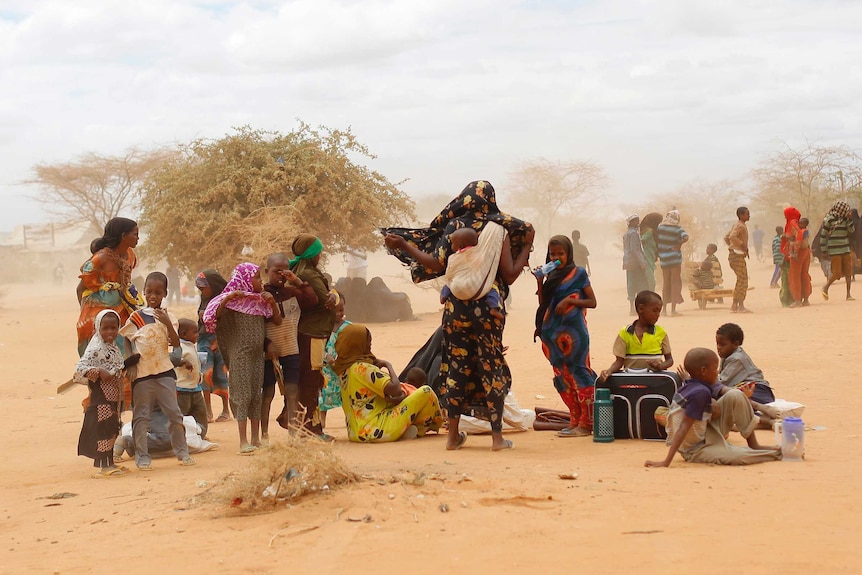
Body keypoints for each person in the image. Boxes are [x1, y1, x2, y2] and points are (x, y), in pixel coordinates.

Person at [382, 180, 534, 451]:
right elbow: (510, 274)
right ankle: (497, 438)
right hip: (489, 310)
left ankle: (452, 436)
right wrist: (527, 245)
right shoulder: (499, 230)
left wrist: (406, 246)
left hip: (456, 309)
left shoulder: (454, 228)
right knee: (492, 367)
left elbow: (436, 264)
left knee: (455, 369)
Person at [644, 347, 781, 467]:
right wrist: (666, 461)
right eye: (715, 369)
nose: (717, 373)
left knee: (736, 395)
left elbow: (730, 393)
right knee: (736, 456)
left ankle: (754, 445)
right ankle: (776, 454)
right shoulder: (699, 393)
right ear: (704, 371)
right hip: (694, 449)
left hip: (707, 432)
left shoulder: (701, 382)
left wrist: (746, 397)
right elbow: (683, 427)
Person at [119, 272, 196, 470]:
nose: (153, 296)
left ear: (164, 294)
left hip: (164, 372)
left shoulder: (169, 316)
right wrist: (131, 363)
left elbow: (176, 342)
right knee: (141, 417)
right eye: (149, 291)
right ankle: (142, 457)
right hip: (143, 375)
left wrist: (167, 322)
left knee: (174, 414)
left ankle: (182, 452)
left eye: (158, 292)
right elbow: (126, 339)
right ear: (144, 292)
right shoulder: (136, 317)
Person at [203, 263, 281, 454]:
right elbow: (213, 318)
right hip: (240, 356)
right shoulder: (230, 301)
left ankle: (255, 437)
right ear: (245, 279)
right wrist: (227, 298)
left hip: (257, 356)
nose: (260, 281)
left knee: (256, 394)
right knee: (242, 394)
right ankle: (242, 440)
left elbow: (275, 319)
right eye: (256, 277)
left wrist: (272, 303)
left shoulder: (260, 302)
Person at [333, 323, 444, 442]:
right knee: (426, 391)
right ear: (357, 344)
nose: (370, 344)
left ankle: (408, 430)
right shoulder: (362, 369)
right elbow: (395, 390)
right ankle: (425, 426)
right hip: (377, 429)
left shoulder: (343, 371)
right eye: (367, 341)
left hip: (356, 433)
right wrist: (388, 365)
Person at [535, 235, 597, 437]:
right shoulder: (551, 275)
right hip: (553, 335)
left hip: (575, 333)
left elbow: (592, 302)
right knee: (562, 377)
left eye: (560, 253)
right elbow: (544, 304)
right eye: (553, 254)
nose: (556, 257)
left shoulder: (578, 273)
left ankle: (586, 424)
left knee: (579, 373)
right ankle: (574, 419)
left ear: (569, 253)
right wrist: (539, 282)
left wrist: (570, 302)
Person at [289, 234, 338, 438]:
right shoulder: (309, 274)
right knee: (312, 381)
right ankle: (311, 429)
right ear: (313, 254)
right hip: (313, 335)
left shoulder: (300, 271)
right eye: (319, 252)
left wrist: (333, 294)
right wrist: (333, 296)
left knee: (308, 381)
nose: (320, 256)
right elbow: (324, 299)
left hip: (310, 333)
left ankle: (307, 427)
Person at [261, 253, 315, 437]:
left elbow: (312, 300)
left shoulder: (292, 292)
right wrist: (267, 344)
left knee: (292, 391)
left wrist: (297, 281)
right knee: (267, 393)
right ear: (267, 271)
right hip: (269, 353)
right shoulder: (262, 295)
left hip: (291, 348)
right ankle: (264, 434)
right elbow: (256, 328)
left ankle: (293, 433)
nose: (281, 276)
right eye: (277, 272)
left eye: (285, 272)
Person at [76, 217, 144, 358]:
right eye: (135, 234)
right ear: (123, 236)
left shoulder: (131, 255)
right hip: (100, 310)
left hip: (125, 305)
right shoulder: (100, 258)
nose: (138, 238)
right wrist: (85, 316)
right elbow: (80, 288)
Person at [76, 309, 127, 478]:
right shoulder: (95, 348)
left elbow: (117, 367)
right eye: (105, 328)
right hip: (102, 398)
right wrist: (98, 371)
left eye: (114, 328)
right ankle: (104, 466)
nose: (110, 332)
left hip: (114, 397)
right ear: (98, 328)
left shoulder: (112, 347)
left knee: (113, 428)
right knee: (104, 430)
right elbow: (80, 370)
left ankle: (110, 462)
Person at [714, 323, 778, 428]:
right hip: (749, 390)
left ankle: (762, 421)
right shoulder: (727, 356)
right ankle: (753, 420)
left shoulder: (737, 358)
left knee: (727, 399)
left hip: (758, 391)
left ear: (735, 344)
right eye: (717, 344)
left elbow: (721, 382)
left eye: (722, 344)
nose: (718, 348)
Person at [599, 290, 673, 380]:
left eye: (659, 311)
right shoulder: (625, 333)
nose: (658, 315)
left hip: (654, 380)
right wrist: (609, 371)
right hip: (631, 380)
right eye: (655, 311)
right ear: (641, 309)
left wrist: (660, 366)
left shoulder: (661, 332)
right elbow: (619, 362)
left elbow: (669, 360)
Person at [439, 227, 504, 319]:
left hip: (456, 289)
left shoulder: (454, 257)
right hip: (475, 287)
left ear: (460, 245)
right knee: (492, 287)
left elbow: (450, 273)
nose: (451, 246)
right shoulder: (479, 254)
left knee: (448, 284)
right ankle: (494, 308)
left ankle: (443, 296)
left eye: (453, 244)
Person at [194, 270, 232, 422]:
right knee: (205, 373)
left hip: (221, 339)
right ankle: (208, 410)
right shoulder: (204, 298)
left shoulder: (224, 298)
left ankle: (225, 410)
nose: (201, 291)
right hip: (204, 340)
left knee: (221, 374)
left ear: (213, 286)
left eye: (203, 288)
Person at [320, 292, 351, 431]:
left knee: (346, 397)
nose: (339, 313)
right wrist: (326, 356)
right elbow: (318, 346)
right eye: (336, 310)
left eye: (341, 310)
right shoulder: (322, 327)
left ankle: (350, 422)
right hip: (326, 370)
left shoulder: (349, 328)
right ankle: (321, 423)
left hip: (342, 369)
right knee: (322, 398)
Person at [175, 318, 208, 440]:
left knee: (200, 413)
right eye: (194, 332)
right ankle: (182, 439)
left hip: (196, 388)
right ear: (183, 334)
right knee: (182, 416)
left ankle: (200, 436)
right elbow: (171, 360)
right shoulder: (179, 347)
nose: (197, 335)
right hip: (182, 389)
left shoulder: (191, 345)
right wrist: (183, 361)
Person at [821, 200, 855, 301]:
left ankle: (848, 294)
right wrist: (824, 250)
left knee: (848, 272)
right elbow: (823, 235)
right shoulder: (829, 220)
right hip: (834, 250)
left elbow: (852, 230)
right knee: (837, 273)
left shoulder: (846, 219)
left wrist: (849, 219)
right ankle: (826, 287)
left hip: (845, 248)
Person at [656, 209, 689, 316]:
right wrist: (679, 244)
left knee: (666, 283)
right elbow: (686, 237)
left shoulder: (660, 228)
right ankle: (673, 310)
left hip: (664, 259)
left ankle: (664, 310)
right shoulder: (677, 229)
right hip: (674, 259)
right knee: (675, 283)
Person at [781, 206, 811, 307]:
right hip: (806, 251)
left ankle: (797, 300)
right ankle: (806, 299)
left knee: (795, 276)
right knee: (804, 275)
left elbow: (797, 235)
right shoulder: (800, 226)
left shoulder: (792, 223)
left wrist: (795, 251)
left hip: (797, 253)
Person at [724, 206, 752, 313]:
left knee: (740, 279)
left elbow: (726, 237)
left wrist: (732, 247)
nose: (749, 215)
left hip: (734, 255)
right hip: (737, 256)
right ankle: (740, 305)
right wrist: (741, 246)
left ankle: (735, 305)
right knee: (743, 280)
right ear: (741, 215)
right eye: (747, 214)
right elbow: (731, 237)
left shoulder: (737, 225)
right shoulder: (740, 226)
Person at [623, 214, 648, 315]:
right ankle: (636, 308)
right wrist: (642, 262)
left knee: (630, 284)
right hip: (635, 262)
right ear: (632, 222)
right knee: (639, 284)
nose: (638, 223)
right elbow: (635, 250)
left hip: (628, 262)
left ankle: (632, 308)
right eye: (636, 221)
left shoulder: (626, 234)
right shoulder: (634, 234)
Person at [639, 213, 662, 292]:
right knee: (651, 281)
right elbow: (641, 241)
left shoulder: (650, 231)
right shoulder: (649, 232)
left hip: (650, 257)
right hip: (647, 258)